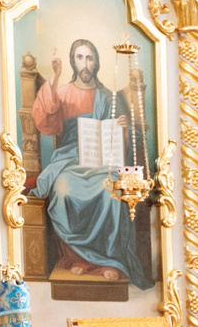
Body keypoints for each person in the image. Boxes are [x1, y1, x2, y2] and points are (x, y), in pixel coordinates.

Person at [29, 37, 146, 286]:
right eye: (80, 57)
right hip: (70, 158)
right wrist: (55, 77)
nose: (84, 64)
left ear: (96, 63)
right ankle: (77, 258)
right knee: (62, 189)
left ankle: (108, 260)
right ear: (73, 61)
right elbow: (44, 121)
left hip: (102, 159)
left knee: (112, 187)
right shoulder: (62, 92)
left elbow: (123, 140)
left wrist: (122, 128)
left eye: (89, 58)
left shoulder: (107, 97)